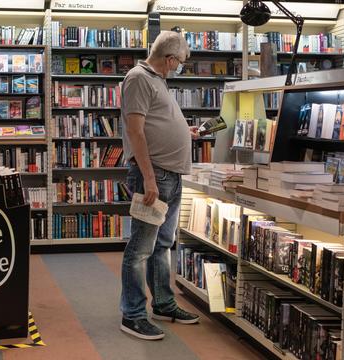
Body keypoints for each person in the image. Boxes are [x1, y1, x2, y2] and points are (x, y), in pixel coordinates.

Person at [119, 31, 200, 341]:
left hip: (171, 176)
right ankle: (133, 315)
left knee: (163, 245)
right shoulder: (138, 77)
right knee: (140, 249)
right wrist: (149, 178)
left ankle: (163, 304)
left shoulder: (157, 80)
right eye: (179, 62)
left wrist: (183, 130)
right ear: (169, 59)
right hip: (154, 177)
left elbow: (155, 124)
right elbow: (135, 132)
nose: (178, 67)